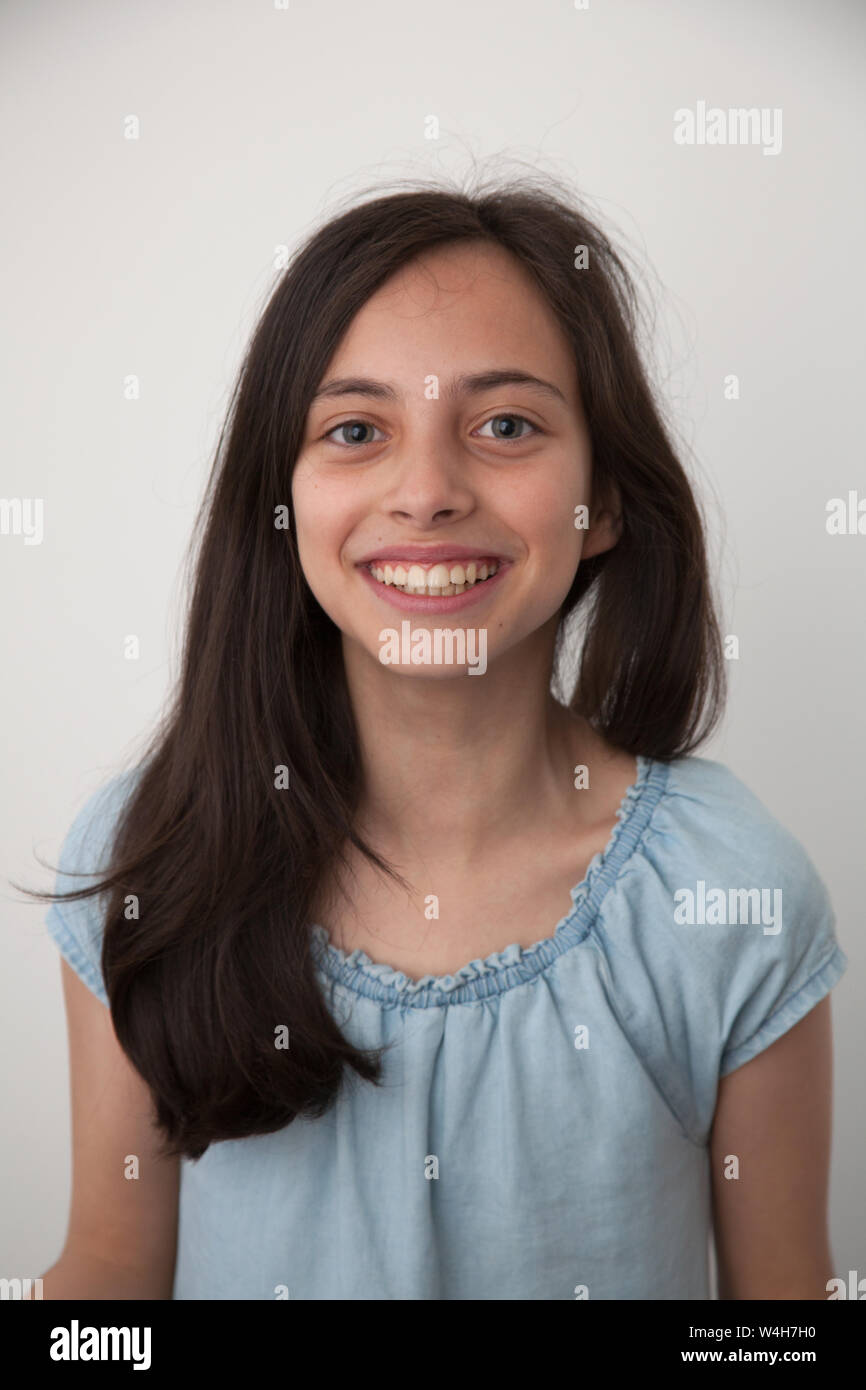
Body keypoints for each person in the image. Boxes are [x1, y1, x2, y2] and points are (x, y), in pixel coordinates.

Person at [29, 177, 847, 1299]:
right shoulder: (151, 853)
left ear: (602, 498)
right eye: (356, 430)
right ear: (281, 499)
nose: (425, 492)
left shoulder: (727, 892)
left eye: (504, 424)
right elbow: (111, 1280)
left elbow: (780, 1315)